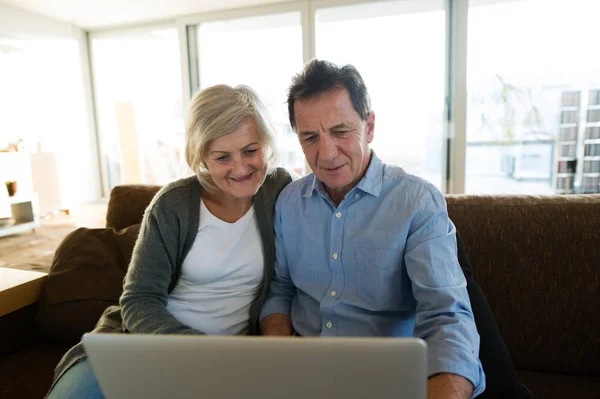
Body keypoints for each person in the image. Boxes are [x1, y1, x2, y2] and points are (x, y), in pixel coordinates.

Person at [47, 84, 292, 398]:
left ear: (266, 144)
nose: (241, 167)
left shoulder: (280, 190)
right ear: (201, 154)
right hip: (140, 344)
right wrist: (200, 351)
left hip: (229, 364)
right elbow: (138, 301)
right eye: (222, 157)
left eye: (250, 150)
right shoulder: (172, 205)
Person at [259, 59, 486, 398]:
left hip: (386, 378)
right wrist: (277, 361)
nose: (327, 153)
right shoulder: (289, 202)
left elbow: (446, 316)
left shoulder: (416, 202)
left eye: (340, 131)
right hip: (303, 373)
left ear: (369, 126)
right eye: (310, 137)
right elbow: (280, 289)